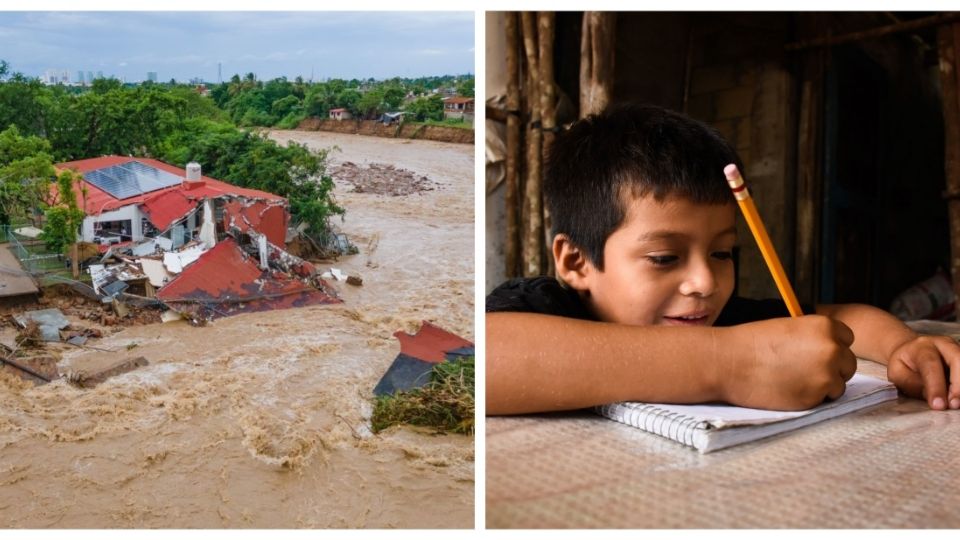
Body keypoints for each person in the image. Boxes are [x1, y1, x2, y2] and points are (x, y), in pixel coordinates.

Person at [487, 103, 960, 415]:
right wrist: (737, 364)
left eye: (722, 252)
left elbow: (840, 316)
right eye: (664, 256)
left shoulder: (718, 316)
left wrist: (904, 346)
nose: (704, 282)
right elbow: (484, 356)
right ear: (576, 263)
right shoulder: (544, 307)